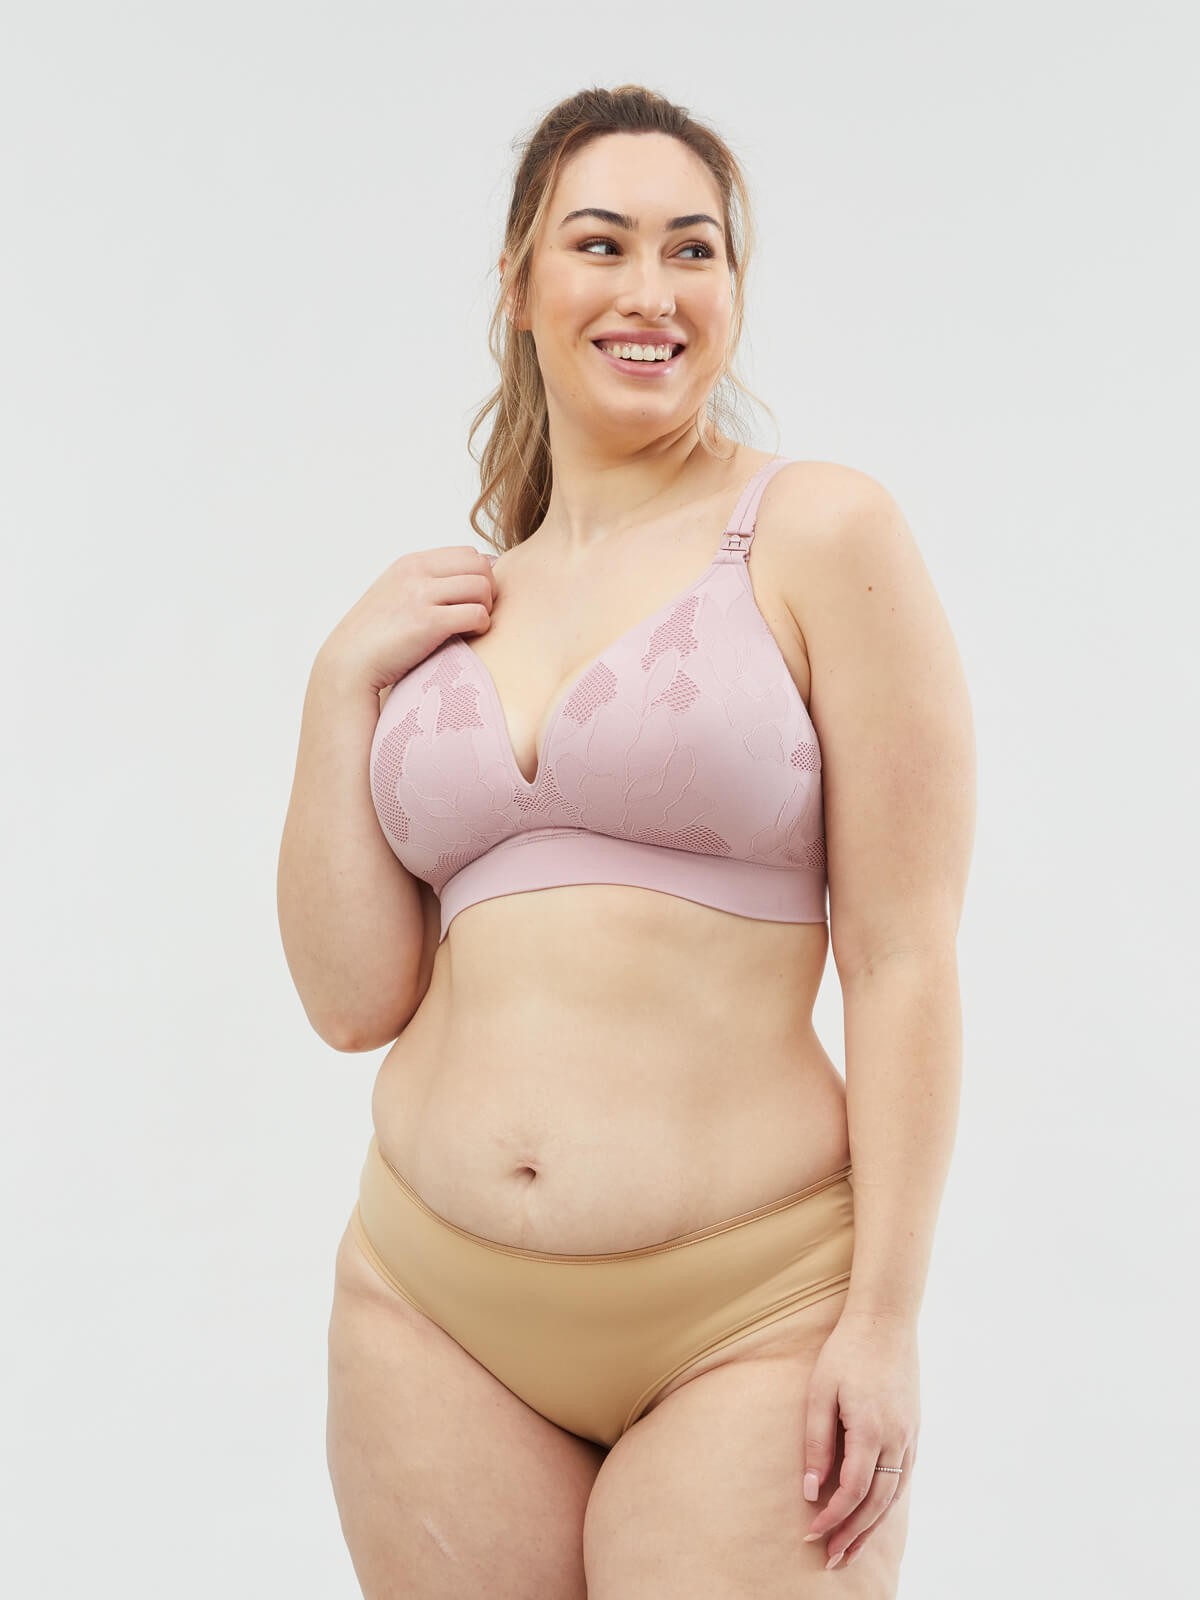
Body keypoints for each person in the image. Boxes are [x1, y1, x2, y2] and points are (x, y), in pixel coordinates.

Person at [278, 83, 975, 1600]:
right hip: (428, 1303)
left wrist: (885, 1321)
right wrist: (337, 685)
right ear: (521, 284)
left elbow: (906, 958)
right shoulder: (451, 615)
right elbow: (348, 1001)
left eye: (693, 249)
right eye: (601, 244)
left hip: (751, 1310)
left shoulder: (818, 532)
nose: (650, 290)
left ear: (734, 288)